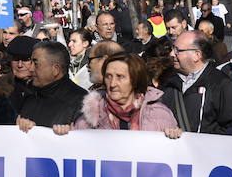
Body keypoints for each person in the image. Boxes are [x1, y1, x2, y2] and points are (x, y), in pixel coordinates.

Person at [53, 52, 181, 137]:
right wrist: (66, 137)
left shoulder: (160, 115)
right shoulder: (89, 118)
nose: (112, 83)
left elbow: (174, 159)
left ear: (135, 80)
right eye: (108, 76)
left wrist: (175, 138)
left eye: (120, 77)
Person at [159, 30, 232, 134]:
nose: (172, 54)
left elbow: (231, 127)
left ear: (196, 55)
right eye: (172, 49)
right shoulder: (167, 80)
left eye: (177, 50)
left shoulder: (221, 84)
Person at [16, 41, 88, 131]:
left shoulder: (82, 102)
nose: (30, 69)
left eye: (36, 64)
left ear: (55, 69)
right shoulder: (30, 95)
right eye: (31, 63)